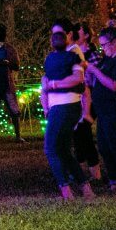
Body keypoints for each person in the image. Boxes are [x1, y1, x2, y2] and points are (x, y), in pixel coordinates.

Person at [42, 31, 95, 200]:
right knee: (64, 149)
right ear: (68, 42)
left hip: (60, 107)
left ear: (52, 43)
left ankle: (66, 191)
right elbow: (79, 77)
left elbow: (76, 79)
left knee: (50, 149)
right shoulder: (74, 58)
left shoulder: (49, 60)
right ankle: (86, 189)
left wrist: (55, 85)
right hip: (73, 107)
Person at [86, 24, 116, 191]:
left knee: (115, 145)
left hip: (115, 110)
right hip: (103, 110)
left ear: (114, 42)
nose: (102, 48)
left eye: (104, 44)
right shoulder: (107, 59)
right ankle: (113, 180)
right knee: (104, 146)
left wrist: (95, 71)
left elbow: (115, 85)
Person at [57, 22, 102, 182]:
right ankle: (81, 170)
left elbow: (96, 77)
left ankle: (94, 171)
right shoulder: (71, 52)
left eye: (79, 31)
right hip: (76, 97)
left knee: (84, 133)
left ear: (87, 36)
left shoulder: (91, 54)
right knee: (77, 135)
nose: (76, 34)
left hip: (88, 97)